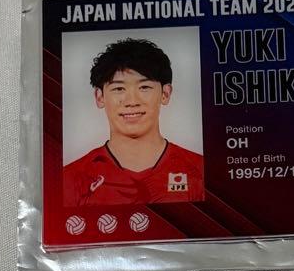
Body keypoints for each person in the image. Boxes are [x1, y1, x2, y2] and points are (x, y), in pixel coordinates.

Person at [63, 37, 204, 206]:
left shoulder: (201, 171)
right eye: (118, 88)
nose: (132, 101)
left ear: (165, 94)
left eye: (144, 87)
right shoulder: (70, 179)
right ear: (100, 97)